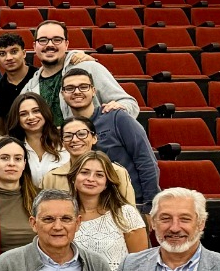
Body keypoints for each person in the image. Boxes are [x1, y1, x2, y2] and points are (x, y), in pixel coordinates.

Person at [58, 69, 158, 209]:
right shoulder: (68, 131)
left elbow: (145, 159)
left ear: (93, 90)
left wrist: (150, 205)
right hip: (89, 207)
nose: (77, 92)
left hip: (129, 203)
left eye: (83, 86)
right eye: (70, 88)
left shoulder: (117, 117)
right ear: (63, 94)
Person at [69, 152, 149, 271]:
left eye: (99, 175)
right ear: (74, 177)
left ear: (107, 183)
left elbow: (140, 264)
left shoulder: (125, 214)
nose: (90, 179)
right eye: (84, 172)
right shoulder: (62, 215)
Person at [0, 135, 38, 263]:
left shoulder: (40, 198)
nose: (11, 163)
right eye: (4, 158)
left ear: (24, 164)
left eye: (18, 159)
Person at [8, 93, 69, 184]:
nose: (31, 117)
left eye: (36, 111)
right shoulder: (10, 147)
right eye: (23, 114)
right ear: (17, 118)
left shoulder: (65, 141)